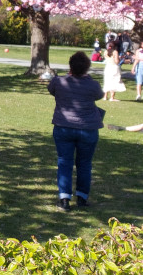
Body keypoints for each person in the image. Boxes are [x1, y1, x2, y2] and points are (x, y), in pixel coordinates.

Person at [48, 51, 104, 211]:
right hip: (88, 128)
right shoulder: (93, 85)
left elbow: (51, 89)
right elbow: (99, 95)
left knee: (64, 162)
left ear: (70, 66)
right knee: (85, 163)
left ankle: (64, 198)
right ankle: (82, 197)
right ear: (87, 68)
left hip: (64, 126)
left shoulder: (59, 82)